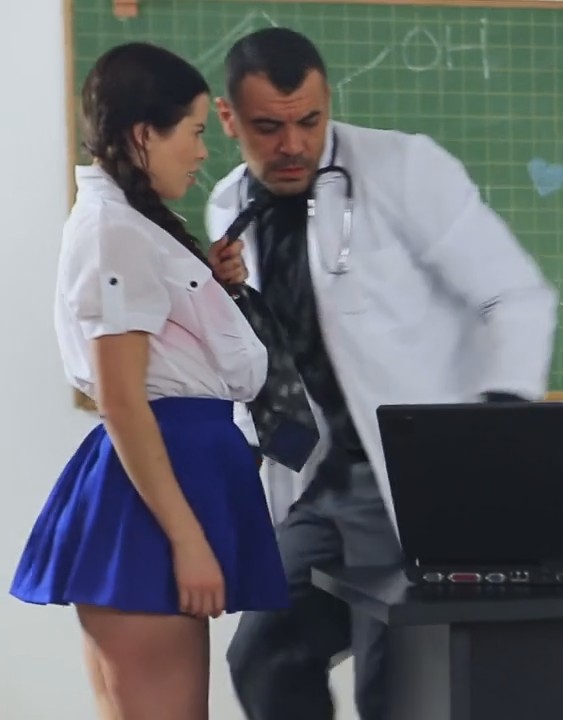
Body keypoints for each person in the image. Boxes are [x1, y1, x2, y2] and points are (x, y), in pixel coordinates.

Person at [204, 27, 558, 719]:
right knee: (266, 654)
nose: (294, 145)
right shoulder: (228, 205)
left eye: (310, 121)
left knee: (393, 686)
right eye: (268, 128)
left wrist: (491, 432)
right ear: (228, 118)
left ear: (328, 103)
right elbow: (260, 350)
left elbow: (515, 295)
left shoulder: (403, 168)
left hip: (415, 484)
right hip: (318, 481)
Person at [9, 42, 289, 718]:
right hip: (153, 503)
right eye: (193, 131)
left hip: (168, 483)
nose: (202, 151)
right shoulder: (116, 232)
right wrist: (186, 540)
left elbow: (160, 354)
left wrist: (212, 289)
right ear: (144, 135)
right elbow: (121, 398)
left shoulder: (133, 226)